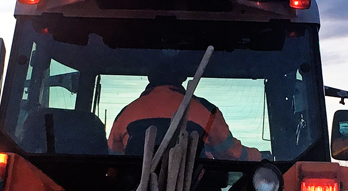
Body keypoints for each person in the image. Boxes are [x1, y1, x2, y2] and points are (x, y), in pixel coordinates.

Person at [108, 68, 261, 161]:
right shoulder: (205, 110)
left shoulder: (126, 113)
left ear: (150, 77)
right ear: (182, 77)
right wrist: (259, 157)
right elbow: (231, 155)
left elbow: (114, 161)